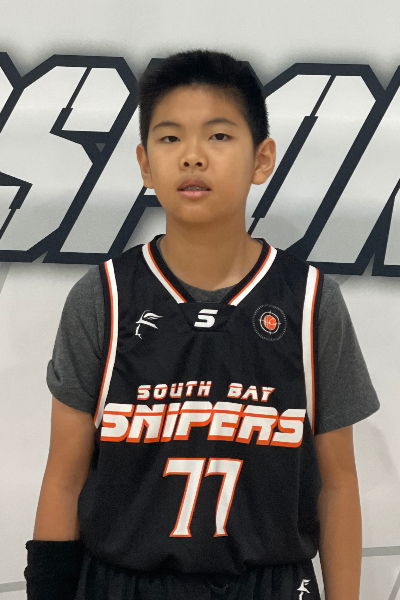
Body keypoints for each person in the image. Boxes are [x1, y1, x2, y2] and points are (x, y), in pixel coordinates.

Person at [24, 49, 380, 600]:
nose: (192, 156)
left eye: (218, 136)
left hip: (270, 585)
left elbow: (337, 485)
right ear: (145, 164)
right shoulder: (103, 297)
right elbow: (63, 479)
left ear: (262, 158)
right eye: (170, 138)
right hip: (121, 585)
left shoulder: (310, 301)